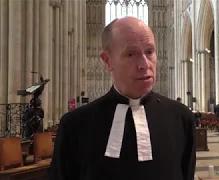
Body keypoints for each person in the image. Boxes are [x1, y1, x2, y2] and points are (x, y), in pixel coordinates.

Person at [49, 17, 196, 180]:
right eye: (131, 54)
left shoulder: (181, 118)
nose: (144, 64)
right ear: (107, 61)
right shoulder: (75, 125)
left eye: (149, 51)